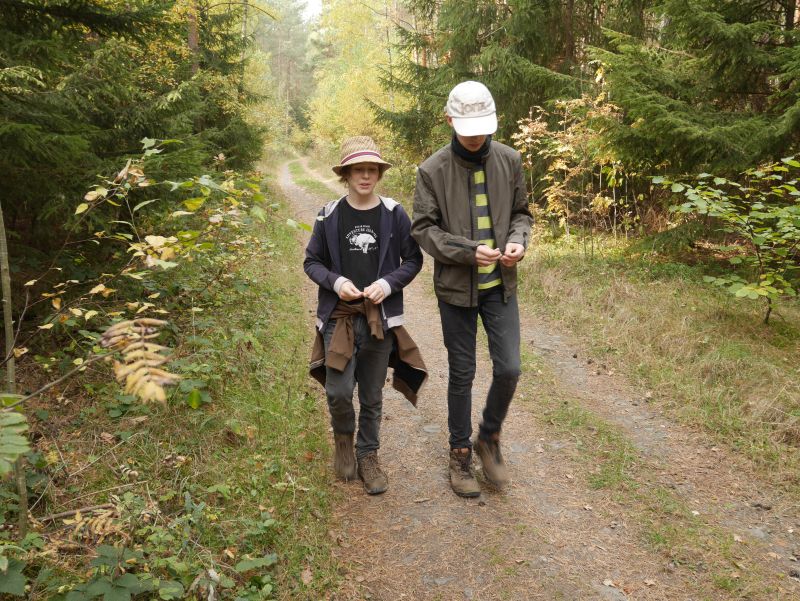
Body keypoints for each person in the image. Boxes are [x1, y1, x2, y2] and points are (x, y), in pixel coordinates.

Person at [411, 81, 533, 497]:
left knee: (510, 368)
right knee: (462, 372)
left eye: (483, 127)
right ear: (449, 121)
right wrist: (467, 252)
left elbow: (521, 213)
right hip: (455, 290)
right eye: (468, 127)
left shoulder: (510, 160)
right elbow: (424, 231)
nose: (477, 136)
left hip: (500, 286)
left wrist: (519, 240)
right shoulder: (432, 170)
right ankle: (460, 453)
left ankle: (489, 437)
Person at [305, 136, 426, 495]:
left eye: (371, 169)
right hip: (340, 317)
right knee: (339, 390)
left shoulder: (393, 213)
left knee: (372, 394)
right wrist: (335, 280)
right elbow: (311, 261)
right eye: (358, 170)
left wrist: (388, 284)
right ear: (346, 174)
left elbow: (413, 260)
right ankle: (344, 439)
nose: (365, 176)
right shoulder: (329, 215)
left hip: (379, 319)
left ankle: (368, 455)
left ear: (378, 174)